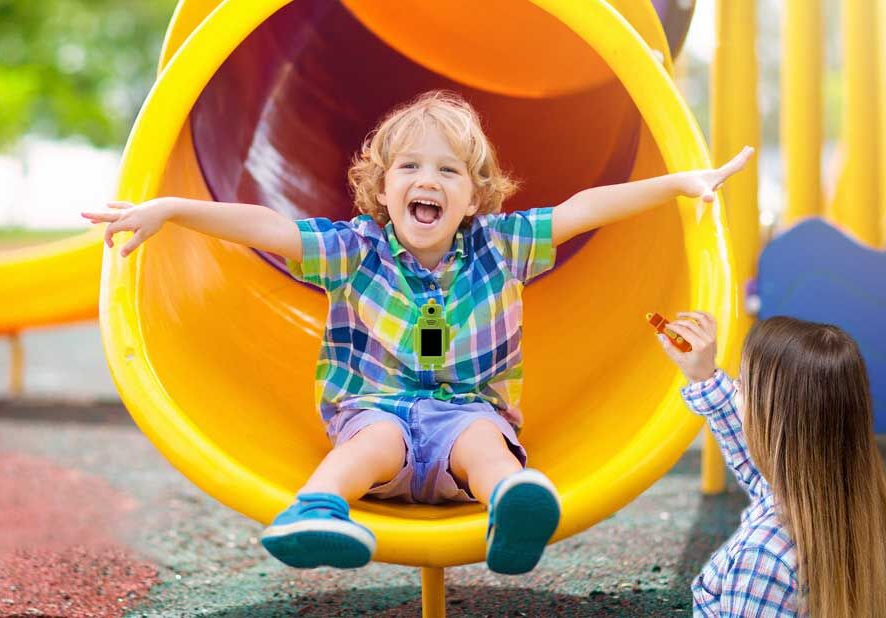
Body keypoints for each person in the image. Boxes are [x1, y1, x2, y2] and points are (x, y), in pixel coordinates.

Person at [83, 90, 753, 574]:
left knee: (485, 442)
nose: (426, 181)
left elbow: (583, 210)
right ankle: (315, 509)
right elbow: (267, 227)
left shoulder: (500, 244)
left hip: (465, 415)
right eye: (408, 168)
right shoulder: (356, 248)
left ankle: (513, 505)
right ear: (381, 189)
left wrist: (677, 183)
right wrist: (169, 209)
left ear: (475, 196)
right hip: (378, 417)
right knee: (374, 436)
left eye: (447, 171)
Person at [658, 313, 886, 617]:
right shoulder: (854, 506)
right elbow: (756, 459)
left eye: (741, 384)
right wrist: (705, 376)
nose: (736, 391)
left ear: (772, 423)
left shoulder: (762, 559)